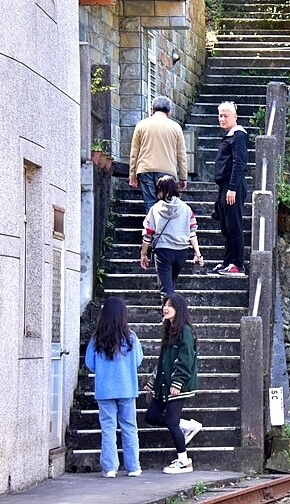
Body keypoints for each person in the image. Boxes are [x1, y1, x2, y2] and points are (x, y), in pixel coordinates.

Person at [85, 296, 144, 478]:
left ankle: (110, 468)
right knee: (129, 427)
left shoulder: (97, 339)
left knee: (108, 428)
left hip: (105, 390)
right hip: (127, 388)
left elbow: (90, 363)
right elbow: (138, 361)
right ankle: (133, 467)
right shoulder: (131, 337)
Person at [144, 294, 202, 474]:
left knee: (170, 421)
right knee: (151, 416)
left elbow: (186, 359)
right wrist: (152, 384)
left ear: (179, 309)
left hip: (177, 386)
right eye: (164, 305)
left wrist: (177, 382)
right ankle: (186, 425)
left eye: (170, 306)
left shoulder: (185, 331)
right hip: (163, 384)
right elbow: (163, 361)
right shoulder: (169, 329)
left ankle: (184, 461)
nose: (165, 308)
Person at [140, 175, 204, 300]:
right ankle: (171, 316)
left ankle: (170, 318)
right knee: (170, 285)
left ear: (160, 190)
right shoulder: (186, 209)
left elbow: (148, 233)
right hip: (181, 252)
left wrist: (143, 253)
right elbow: (192, 232)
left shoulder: (155, 209)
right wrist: (197, 253)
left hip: (163, 251)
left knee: (166, 289)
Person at [129, 95, 189, 213]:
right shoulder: (175, 127)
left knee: (150, 205)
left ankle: (153, 230)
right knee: (167, 204)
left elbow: (134, 153)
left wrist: (132, 175)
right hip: (167, 171)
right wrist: (183, 177)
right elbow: (181, 154)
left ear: (152, 110)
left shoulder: (141, 125)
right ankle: (165, 231)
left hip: (145, 169)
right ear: (169, 112)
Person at [209, 101, 248, 276]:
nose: (222, 119)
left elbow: (240, 163)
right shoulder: (230, 135)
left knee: (234, 225)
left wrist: (232, 188)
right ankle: (227, 262)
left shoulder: (238, 135)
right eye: (220, 115)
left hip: (233, 186)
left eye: (226, 116)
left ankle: (238, 264)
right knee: (226, 226)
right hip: (225, 185)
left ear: (235, 117)